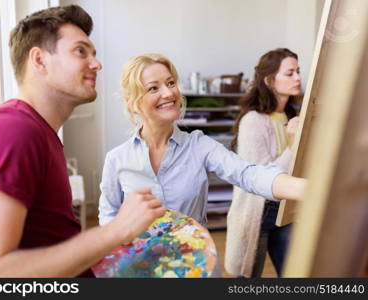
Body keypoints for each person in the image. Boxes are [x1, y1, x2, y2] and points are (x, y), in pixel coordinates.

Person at [0, 5, 166, 277]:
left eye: (94, 54)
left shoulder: (39, 132)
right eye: (81, 51)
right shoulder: (10, 132)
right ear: (39, 60)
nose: (97, 64)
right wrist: (116, 231)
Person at [98, 53, 305, 229]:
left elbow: (248, 174)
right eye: (154, 88)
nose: (169, 93)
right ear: (132, 102)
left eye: (171, 83)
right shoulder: (117, 160)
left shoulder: (199, 145)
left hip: (195, 267)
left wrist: (309, 189)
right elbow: (108, 218)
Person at [225, 48, 302, 278]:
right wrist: (293, 145)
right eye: (290, 73)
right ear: (270, 80)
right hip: (259, 210)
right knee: (248, 278)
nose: (298, 78)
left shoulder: (291, 117)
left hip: (286, 207)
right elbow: (258, 178)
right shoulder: (253, 121)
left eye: (298, 71)